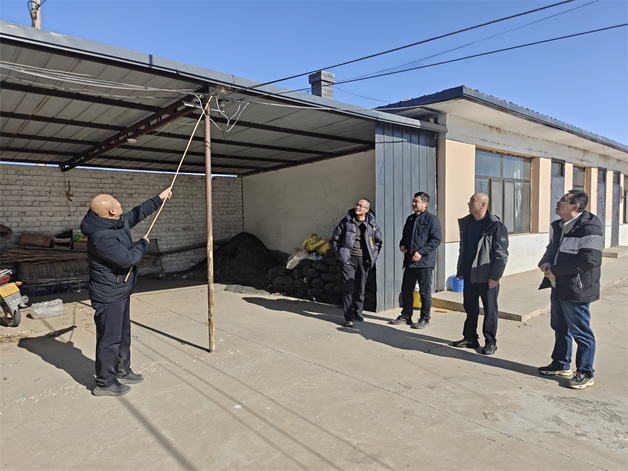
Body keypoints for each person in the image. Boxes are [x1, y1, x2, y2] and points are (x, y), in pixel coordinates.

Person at [81, 188, 172, 396]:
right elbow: (128, 259)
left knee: (123, 334)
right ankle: (105, 383)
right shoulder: (101, 236)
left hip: (121, 288)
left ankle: (122, 370)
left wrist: (159, 199)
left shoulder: (114, 221)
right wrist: (143, 244)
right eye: (115, 201)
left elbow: (137, 213)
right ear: (111, 211)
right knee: (109, 338)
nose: (118, 201)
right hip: (108, 293)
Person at [537, 190, 603, 389]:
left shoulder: (589, 228)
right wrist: (545, 262)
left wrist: (556, 270)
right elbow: (552, 248)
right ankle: (561, 364)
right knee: (559, 327)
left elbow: (590, 260)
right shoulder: (560, 225)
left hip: (577, 288)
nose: (558, 202)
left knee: (581, 332)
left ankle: (585, 372)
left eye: (563, 200)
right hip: (558, 285)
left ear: (575, 206)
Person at [453, 193, 508, 355]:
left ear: (483, 205)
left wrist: (495, 276)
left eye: (472, 201)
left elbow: (501, 254)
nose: (468, 204)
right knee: (470, 308)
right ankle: (470, 338)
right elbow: (464, 250)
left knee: (490, 310)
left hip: (487, 277)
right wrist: (461, 270)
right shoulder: (468, 223)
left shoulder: (495, 225)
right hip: (469, 275)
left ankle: (490, 342)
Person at [391, 192, 442, 329]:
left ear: (425, 204)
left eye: (417, 201)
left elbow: (436, 240)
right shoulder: (410, 219)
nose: (413, 204)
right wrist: (402, 244)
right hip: (410, 262)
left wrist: (421, 252)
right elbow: (405, 236)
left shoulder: (432, 220)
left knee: (424, 292)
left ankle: (425, 318)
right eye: (413, 201)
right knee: (406, 289)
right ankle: (406, 316)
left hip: (424, 263)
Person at [332, 198, 382, 327]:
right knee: (348, 288)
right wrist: (340, 254)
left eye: (361, 206)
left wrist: (373, 256)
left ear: (367, 210)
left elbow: (378, 241)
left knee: (360, 288)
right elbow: (336, 237)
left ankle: (358, 313)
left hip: (363, 260)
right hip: (348, 259)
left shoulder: (372, 224)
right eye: (357, 204)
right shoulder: (347, 221)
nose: (357, 207)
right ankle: (348, 317)